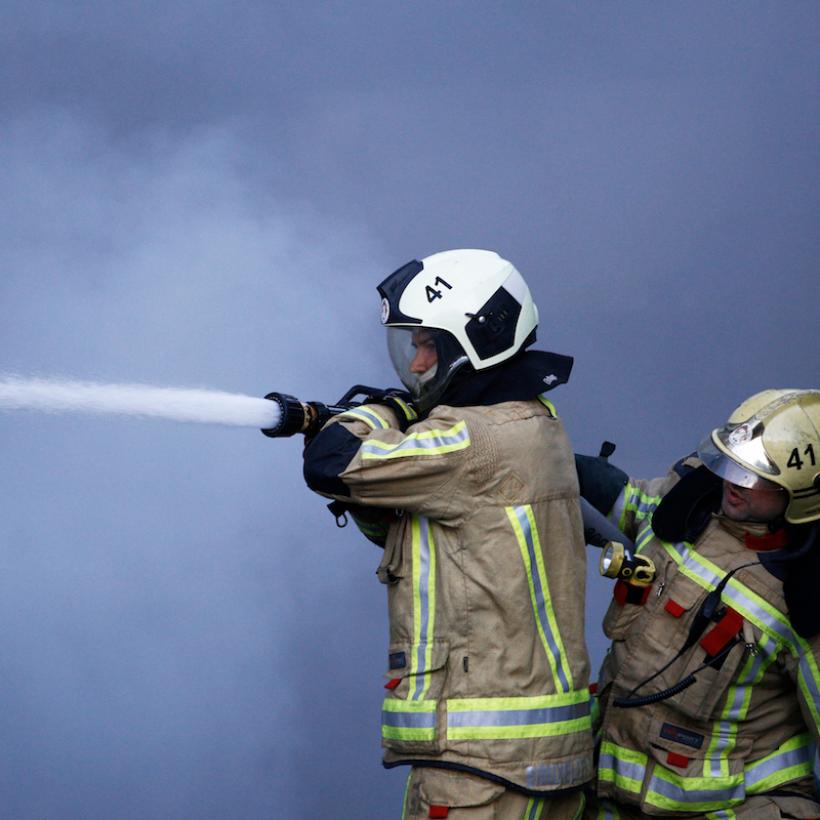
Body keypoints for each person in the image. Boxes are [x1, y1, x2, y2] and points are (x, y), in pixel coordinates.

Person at [303, 249, 594, 819]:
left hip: (479, 770)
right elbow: (425, 536)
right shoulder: (532, 419)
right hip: (534, 758)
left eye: (427, 346)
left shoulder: (472, 441)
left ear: (477, 343)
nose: (414, 366)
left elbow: (331, 462)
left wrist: (378, 411)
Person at [576, 389, 820, 819]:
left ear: (802, 494)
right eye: (731, 464)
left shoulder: (809, 595)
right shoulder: (689, 502)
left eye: (754, 475)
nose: (733, 483)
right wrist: (554, 467)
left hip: (728, 809)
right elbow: (635, 505)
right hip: (609, 794)